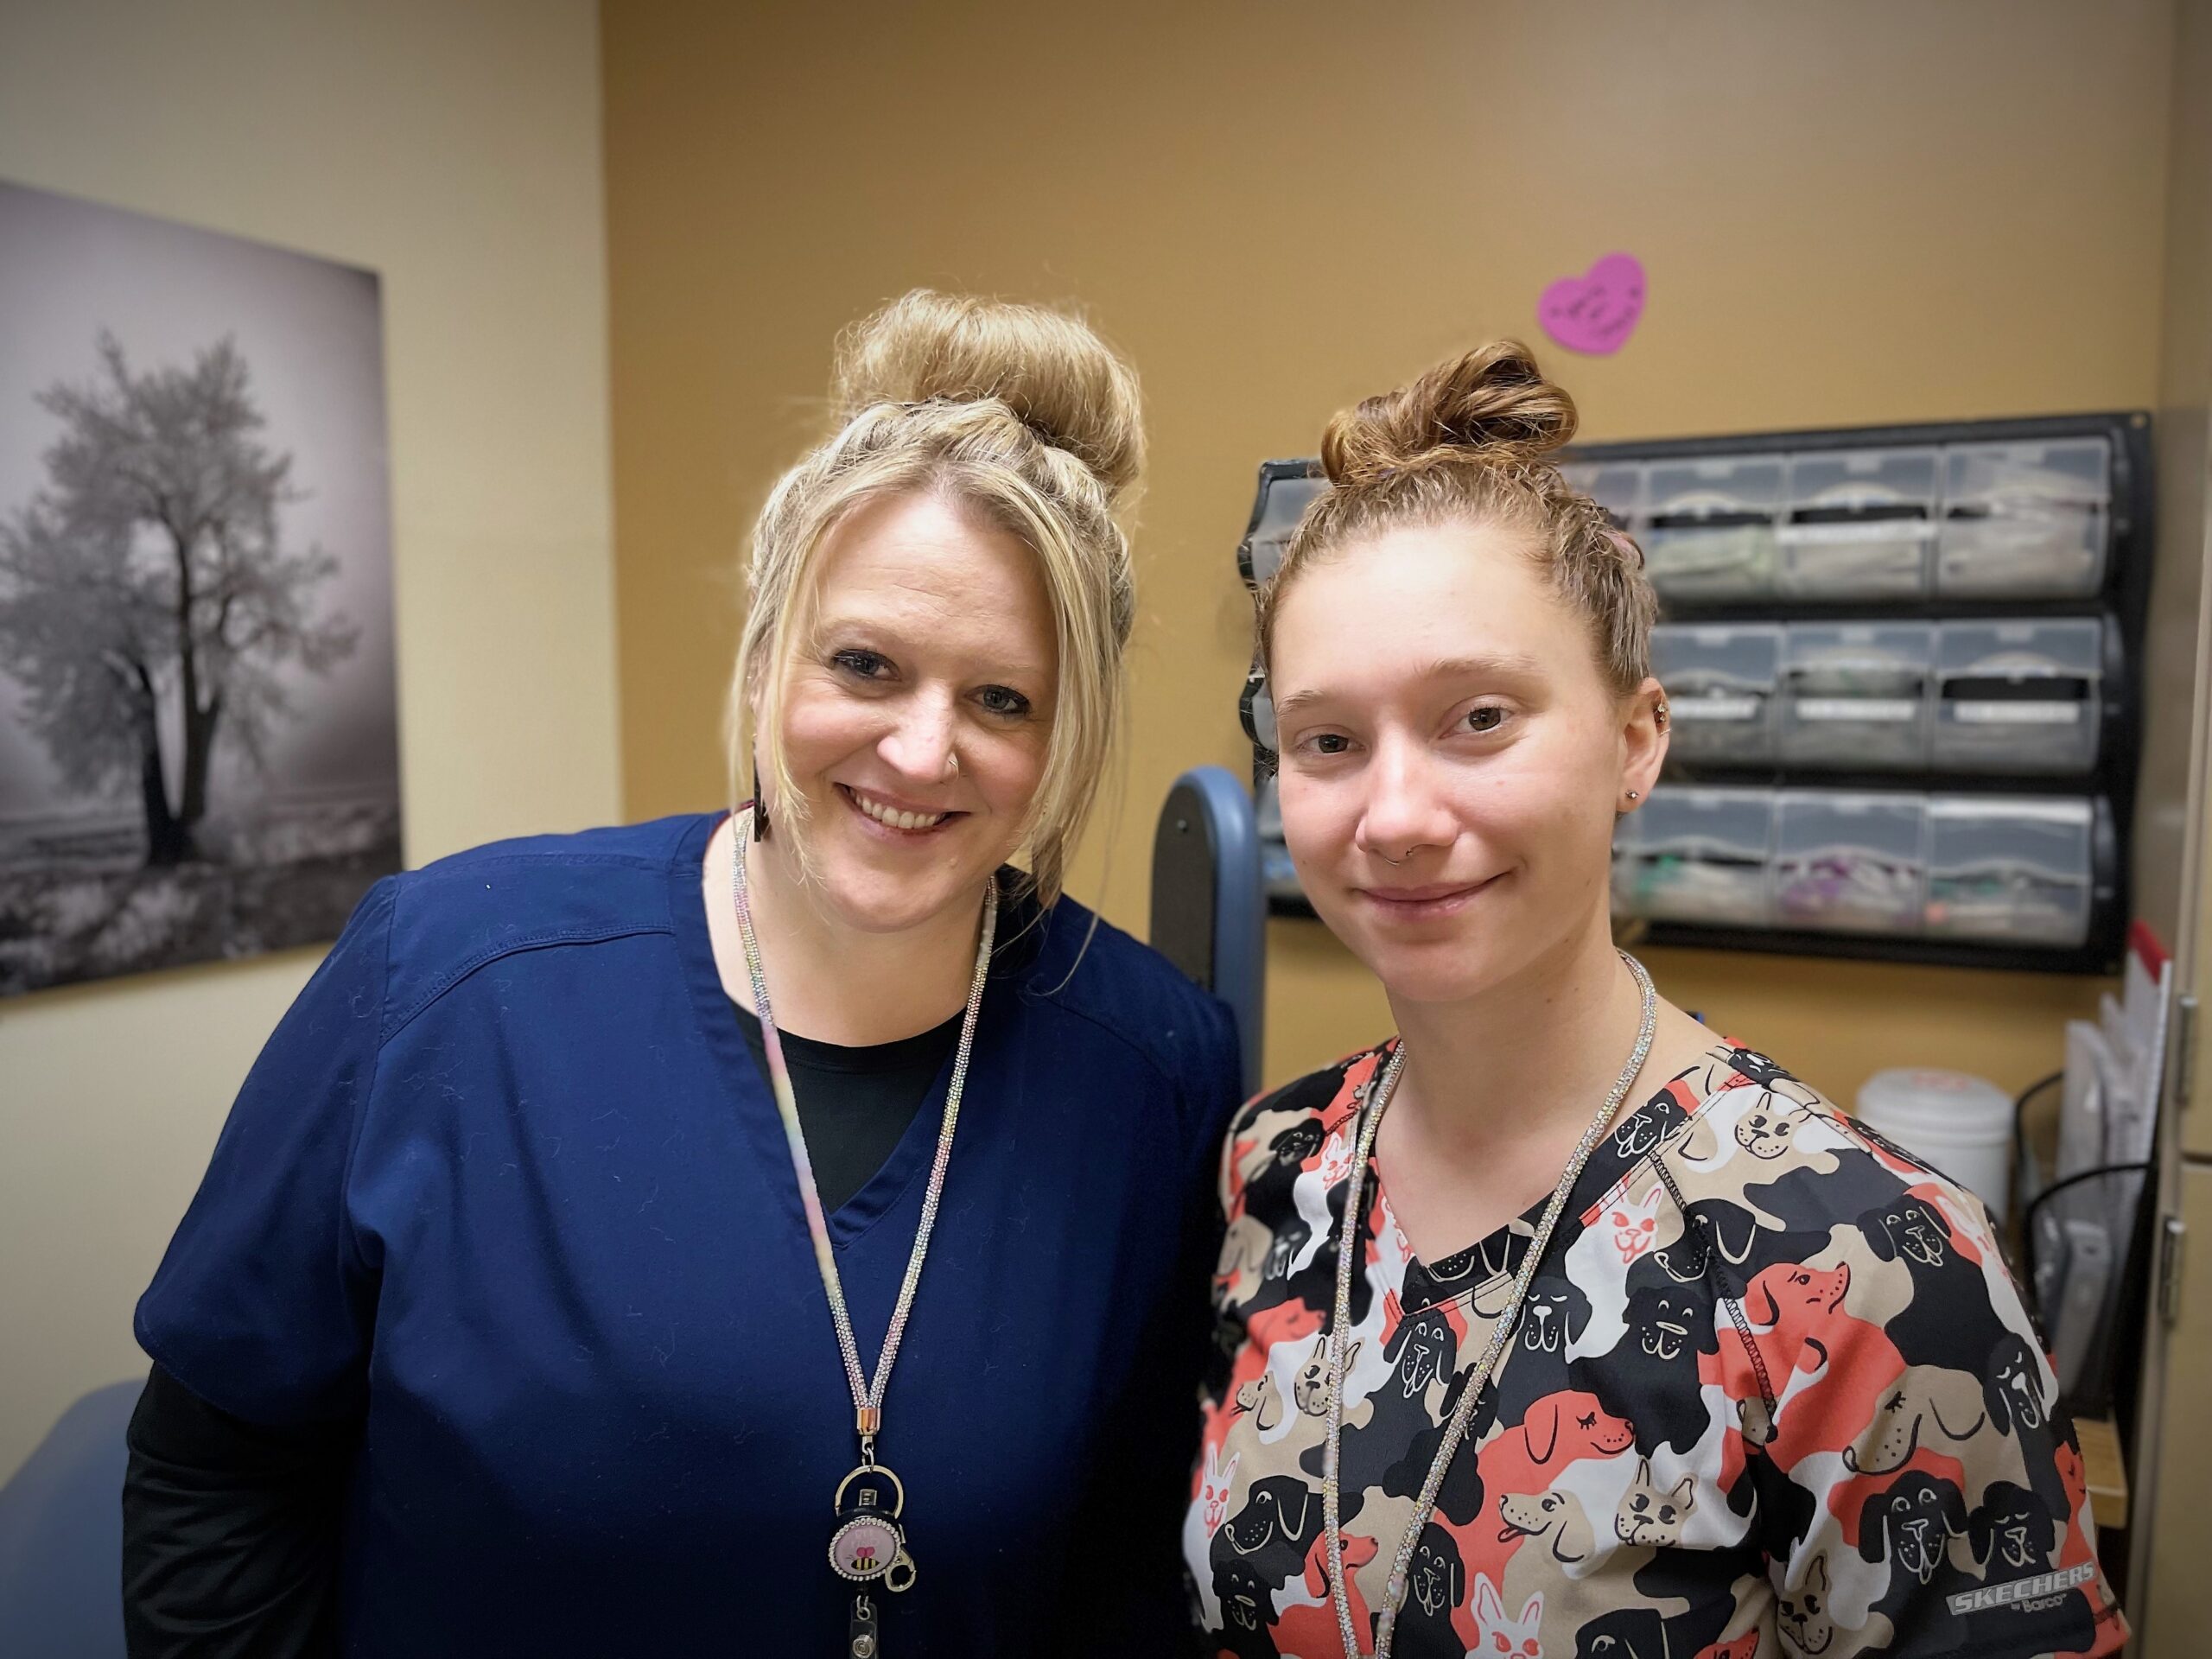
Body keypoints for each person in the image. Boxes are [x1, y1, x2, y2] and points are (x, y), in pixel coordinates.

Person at [124, 290, 1243, 1657]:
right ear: (771, 653)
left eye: (1002, 698)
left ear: (1070, 727)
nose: (920, 749)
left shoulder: (1153, 1070)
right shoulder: (452, 980)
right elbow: (215, 1477)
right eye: (865, 665)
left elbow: (1125, 1565)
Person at [1184, 341, 2126, 1659]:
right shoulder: (1277, 1172)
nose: (1393, 816)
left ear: (1637, 740)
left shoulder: (1868, 1268)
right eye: (1328, 741)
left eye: (1480, 718)